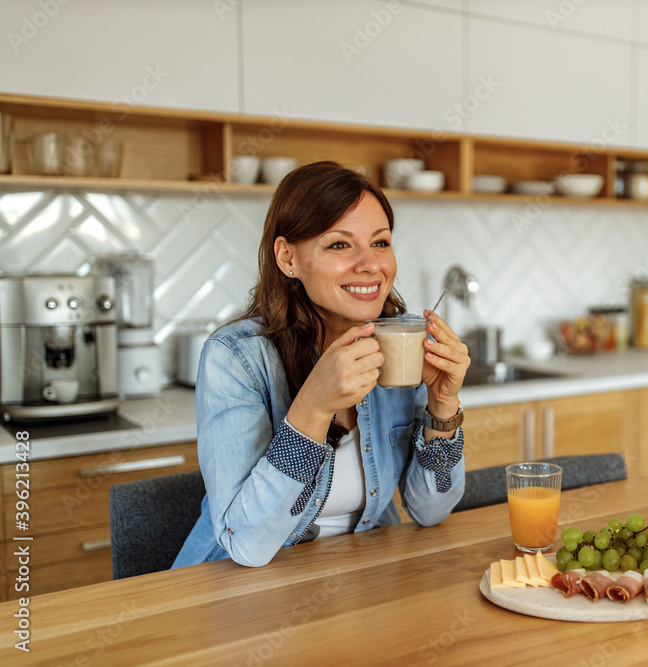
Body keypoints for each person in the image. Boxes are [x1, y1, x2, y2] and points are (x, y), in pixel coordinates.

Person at [172, 161, 470, 568]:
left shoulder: (401, 342)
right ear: (287, 257)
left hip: (357, 582)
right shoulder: (236, 358)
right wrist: (312, 408)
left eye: (380, 243)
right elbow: (248, 547)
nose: (370, 264)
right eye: (339, 245)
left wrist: (443, 405)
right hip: (231, 590)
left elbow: (431, 510)